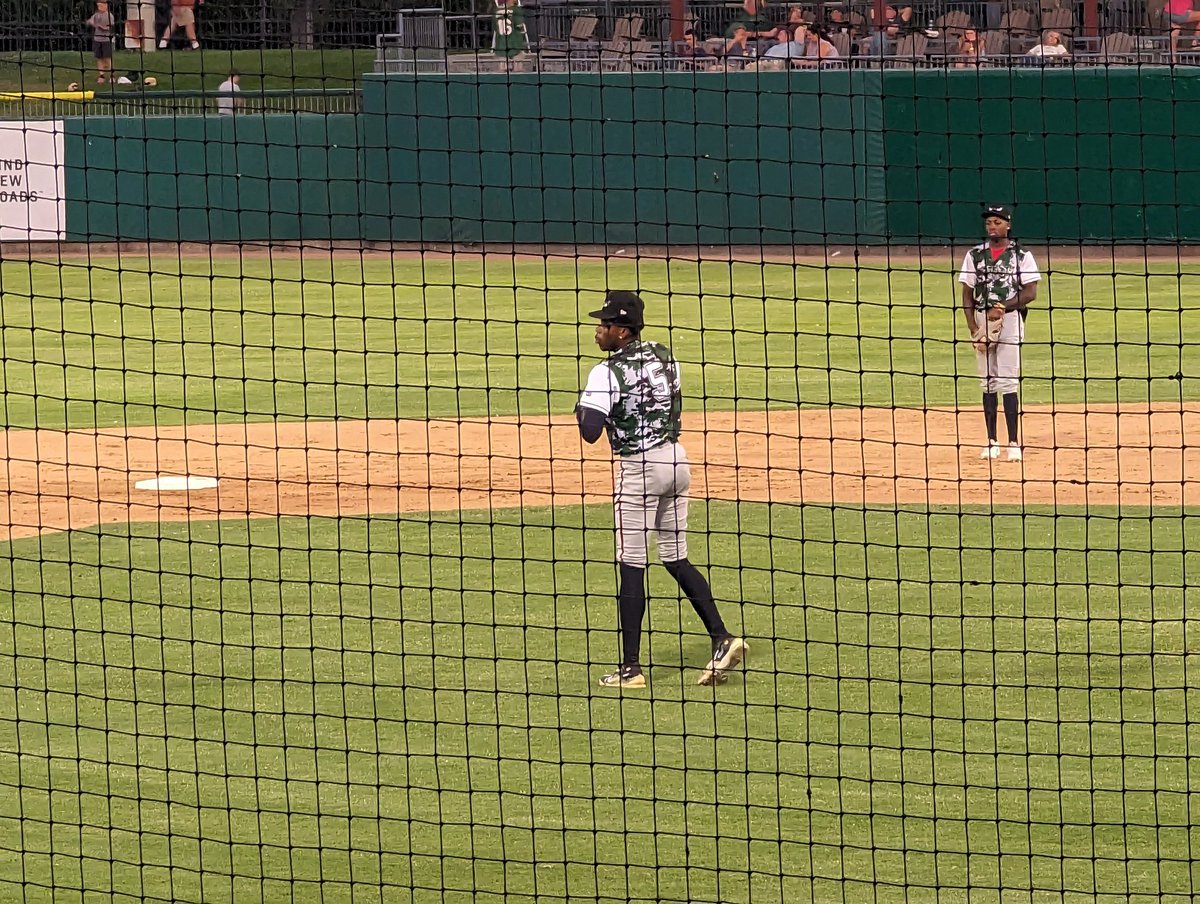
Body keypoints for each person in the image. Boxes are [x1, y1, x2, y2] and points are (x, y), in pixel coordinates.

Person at [575, 291, 748, 689]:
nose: (598, 331)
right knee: (675, 557)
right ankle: (722, 638)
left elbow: (589, 433)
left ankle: (631, 669)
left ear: (622, 330)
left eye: (604, 325)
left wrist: (584, 405)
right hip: (677, 460)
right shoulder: (664, 354)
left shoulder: (604, 373)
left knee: (632, 563)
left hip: (639, 469)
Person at [958, 206, 1041, 462]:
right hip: (983, 319)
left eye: (997, 222)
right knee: (987, 380)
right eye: (989, 223)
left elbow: (1030, 292)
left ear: (1008, 225)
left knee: (1008, 380)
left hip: (1011, 320)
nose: (992, 226)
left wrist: (1003, 306)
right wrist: (973, 326)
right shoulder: (974, 255)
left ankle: (1013, 443)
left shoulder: (1021, 255)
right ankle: (992, 441)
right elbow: (967, 293)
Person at [85, 1, 114, 84]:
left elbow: (109, 28)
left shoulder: (109, 16)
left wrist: (100, 27)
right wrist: (90, 22)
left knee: (107, 58)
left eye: (101, 6)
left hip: (106, 40)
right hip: (97, 39)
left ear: (106, 6)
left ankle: (112, 76)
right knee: (99, 58)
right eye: (98, 6)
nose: (99, 8)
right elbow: (89, 21)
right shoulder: (96, 15)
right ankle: (102, 76)